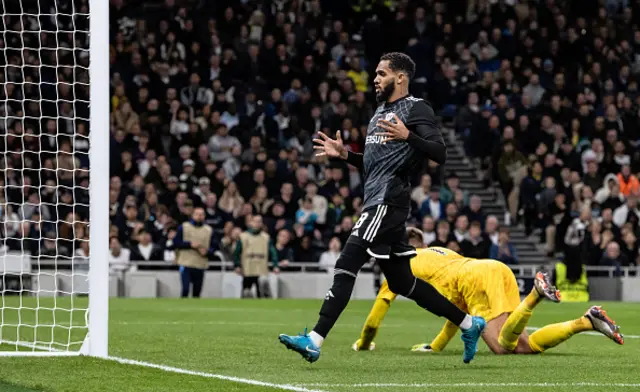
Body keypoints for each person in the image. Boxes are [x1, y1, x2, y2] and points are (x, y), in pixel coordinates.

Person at [278, 52, 485, 364]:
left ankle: (314, 339)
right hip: (377, 199)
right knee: (404, 283)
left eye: (381, 73)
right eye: (375, 74)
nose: (375, 79)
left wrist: (409, 135)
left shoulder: (416, 107)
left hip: (387, 202)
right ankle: (469, 324)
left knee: (346, 262)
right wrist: (345, 155)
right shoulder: (378, 114)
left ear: (400, 77)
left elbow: (440, 153)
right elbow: (374, 166)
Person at [352, 228, 624, 355]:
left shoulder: (398, 268)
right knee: (522, 345)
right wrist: (435, 347)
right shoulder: (440, 253)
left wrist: (363, 344)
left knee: (502, 348)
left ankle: (534, 296)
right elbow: (457, 314)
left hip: (474, 280)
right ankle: (586, 321)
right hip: (496, 268)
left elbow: (373, 323)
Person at [172, 207, 218, 298]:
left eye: (201, 214)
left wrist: (207, 252)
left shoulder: (209, 230)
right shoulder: (184, 227)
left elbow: (215, 246)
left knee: (197, 292)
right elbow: (175, 242)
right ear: (192, 215)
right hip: (186, 263)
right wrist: (189, 244)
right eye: (197, 214)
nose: (199, 216)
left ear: (204, 216)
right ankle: (182, 308)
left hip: (200, 263)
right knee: (185, 289)